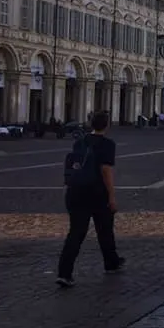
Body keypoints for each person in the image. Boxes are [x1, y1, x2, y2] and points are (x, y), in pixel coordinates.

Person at [56, 110, 124, 288]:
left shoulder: (80, 142)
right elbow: (106, 171)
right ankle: (111, 263)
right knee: (105, 229)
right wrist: (112, 196)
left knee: (76, 233)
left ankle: (64, 273)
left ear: (91, 124)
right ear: (107, 125)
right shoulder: (107, 144)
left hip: (75, 191)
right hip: (97, 193)